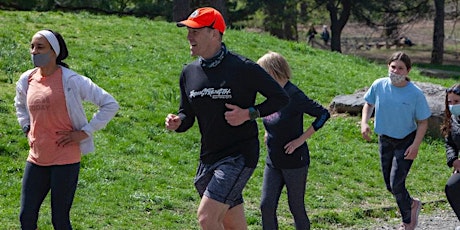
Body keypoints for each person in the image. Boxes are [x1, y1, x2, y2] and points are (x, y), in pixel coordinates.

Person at [164, 7, 289, 230]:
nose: (188, 37)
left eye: (195, 31)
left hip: (238, 155)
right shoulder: (189, 73)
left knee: (206, 218)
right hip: (209, 157)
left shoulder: (242, 68)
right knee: (233, 226)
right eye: (188, 31)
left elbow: (280, 98)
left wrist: (249, 113)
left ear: (215, 33)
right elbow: (187, 114)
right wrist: (178, 121)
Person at [14, 29, 119, 229]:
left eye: (40, 47)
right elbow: (20, 105)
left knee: (60, 220)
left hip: (65, 161)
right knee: (26, 217)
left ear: (54, 51)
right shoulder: (27, 79)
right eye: (32, 47)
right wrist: (26, 127)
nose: (34, 51)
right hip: (36, 158)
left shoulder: (71, 80)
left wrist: (85, 131)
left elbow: (109, 103)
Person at [256, 51, 330, 230]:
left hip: (295, 161)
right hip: (273, 160)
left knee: (295, 207)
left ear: (274, 71)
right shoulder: (271, 94)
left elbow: (323, 114)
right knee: (266, 206)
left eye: (262, 73)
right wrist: (268, 132)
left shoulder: (294, 95)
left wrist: (300, 140)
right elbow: (271, 117)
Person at [360, 51, 431, 230]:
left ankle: (408, 221)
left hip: (406, 141)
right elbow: (368, 104)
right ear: (388, 67)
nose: (396, 71)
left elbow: (423, 122)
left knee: (396, 183)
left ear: (408, 71)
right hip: (385, 139)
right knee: (390, 186)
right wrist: (364, 123)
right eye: (393, 67)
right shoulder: (379, 85)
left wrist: (415, 146)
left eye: (400, 68)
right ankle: (412, 204)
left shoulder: (415, 94)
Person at [440, 83, 460, 229]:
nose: (452, 105)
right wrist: (454, 160)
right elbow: (450, 143)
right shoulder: (452, 119)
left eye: (456, 102)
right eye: (450, 102)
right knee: (452, 187)